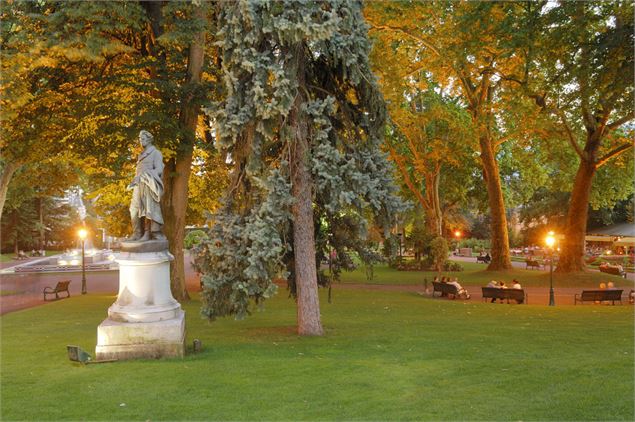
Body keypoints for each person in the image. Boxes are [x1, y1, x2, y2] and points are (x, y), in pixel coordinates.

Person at [127, 130, 166, 241]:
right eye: (140, 139)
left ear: (149, 139)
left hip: (149, 183)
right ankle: (137, 233)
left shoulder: (156, 153)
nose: (141, 141)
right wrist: (134, 181)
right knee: (133, 209)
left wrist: (145, 175)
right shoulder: (141, 155)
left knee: (148, 209)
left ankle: (148, 234)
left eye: (143, 139)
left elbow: (159, 169)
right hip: (138, 184)